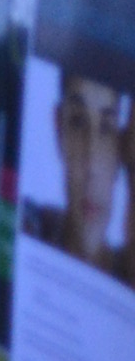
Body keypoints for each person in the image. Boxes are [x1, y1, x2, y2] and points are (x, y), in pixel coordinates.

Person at [26, 66, 133, 281]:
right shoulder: (28, 229)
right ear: (59, 131)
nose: (91, 165)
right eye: (78, 122)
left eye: (106, 128)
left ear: (120, 149)